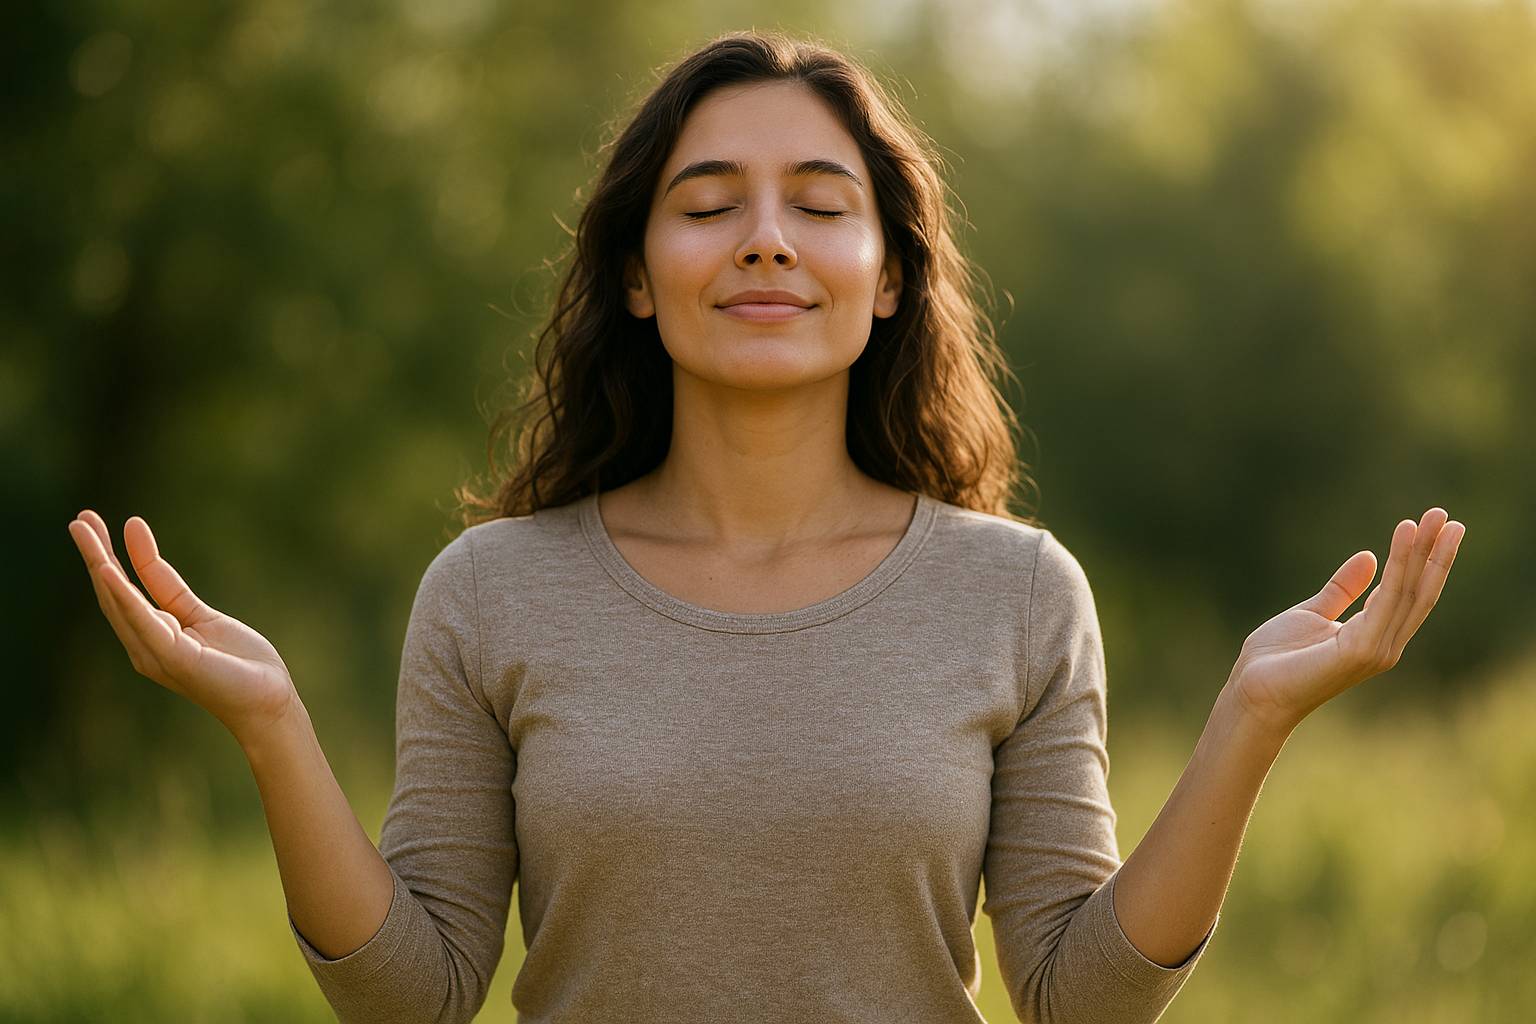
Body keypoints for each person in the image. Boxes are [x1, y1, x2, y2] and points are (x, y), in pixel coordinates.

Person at [67, 29, 1465, 1024]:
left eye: (819, 203)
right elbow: (416, 997)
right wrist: (271, 730)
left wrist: (1249, 726)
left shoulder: (1016, 592)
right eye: (707, 202)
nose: (766, 239)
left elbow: (1075, 999)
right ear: (634, 274)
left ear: (890, 280)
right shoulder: (492, 591)